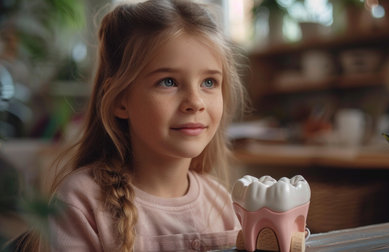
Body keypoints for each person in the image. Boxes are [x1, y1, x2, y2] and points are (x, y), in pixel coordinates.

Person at [19, 0, 247, 251]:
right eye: (168, 82)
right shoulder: (80, 201)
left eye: (209, 82)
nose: (195, 102)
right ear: (120, 100)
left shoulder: (222, 202)